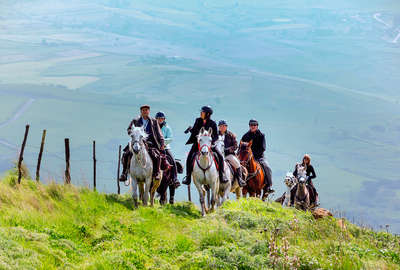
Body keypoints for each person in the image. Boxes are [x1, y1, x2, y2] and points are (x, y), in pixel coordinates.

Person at [182, 106, 228, 185]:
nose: (201, 113)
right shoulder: (198, 120)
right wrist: (190, 129)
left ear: (207, 114)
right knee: (189, 157)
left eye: (202, 112)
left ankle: (221, 175)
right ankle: (188, 177)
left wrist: (211, 142)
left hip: (209, 145)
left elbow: (216, 136)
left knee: (220, 156)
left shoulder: (213, 123)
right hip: (198, 144)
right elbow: (195, 131)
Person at [119, 105, 165, 182]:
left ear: (149, 111)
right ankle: (124, 173)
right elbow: (129, 129)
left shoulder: (154, 121)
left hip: (150, 142)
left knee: (157, 156)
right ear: (141, 111)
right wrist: (133, 132)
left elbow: (159, 133)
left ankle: (156, 173)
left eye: (146, 110)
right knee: (126, 154)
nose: (145, 111)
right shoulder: (135, 120)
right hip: (137, 141)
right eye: (143, 110)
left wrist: (162, 143)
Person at [241, 119, 274, 193]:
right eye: (251, 125)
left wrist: (253, 155)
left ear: (257, 126)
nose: (253, 126)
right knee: (239, 167)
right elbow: (242, 147)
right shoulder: (245, 136)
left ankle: (268, 186)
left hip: (259, 157)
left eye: (254, 125)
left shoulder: (261, 135)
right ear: (249, 126)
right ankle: (238, 183)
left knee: (267, 167)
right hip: (247, 158)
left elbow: (263, 148)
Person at [155, 111, 180, 188]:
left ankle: (175, 178)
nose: (159, 120)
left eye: (161, 118)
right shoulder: (153, 126)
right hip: (155, 147)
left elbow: (170, 138)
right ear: (156, 119)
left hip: (165, 148)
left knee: (172, 161)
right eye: (158, 118)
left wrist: (163, 144)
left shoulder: (167, 127)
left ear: (164, 119)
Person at [218, 120, 246, 187]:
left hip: (228, 155)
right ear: (218, 127)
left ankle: (240, 180)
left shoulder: (231, 135)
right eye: (220, 126)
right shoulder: (215, 135)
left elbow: (235, 146)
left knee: (237, 164)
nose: (222, 127)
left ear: (226, 127)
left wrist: (228, 149)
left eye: (224, 126)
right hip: (218, 155)